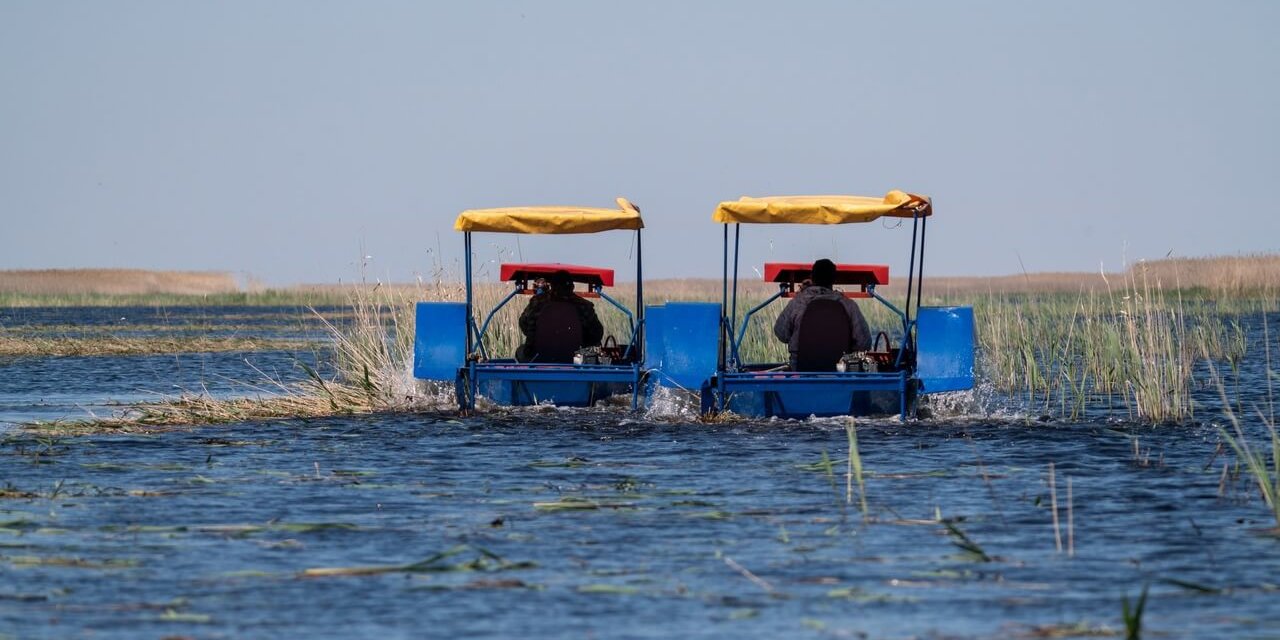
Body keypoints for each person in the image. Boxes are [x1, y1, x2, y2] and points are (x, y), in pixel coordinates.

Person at [773, 258, 872, 370]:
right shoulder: (848, 305)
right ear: (834, 279)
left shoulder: (798, 302)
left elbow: (781, 333)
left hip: (801, 371)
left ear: (812, 277)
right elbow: (864, 343)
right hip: (840, 373)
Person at [515, 270, 604, 362]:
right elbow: (597, 334)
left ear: (552, 286)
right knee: (596, 349)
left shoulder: (537, 302)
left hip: (537, 355)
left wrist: (540, 335)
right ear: (572, 287)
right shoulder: (584, 305)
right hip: (576, 358)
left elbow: (523, 323)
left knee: (520, 351)